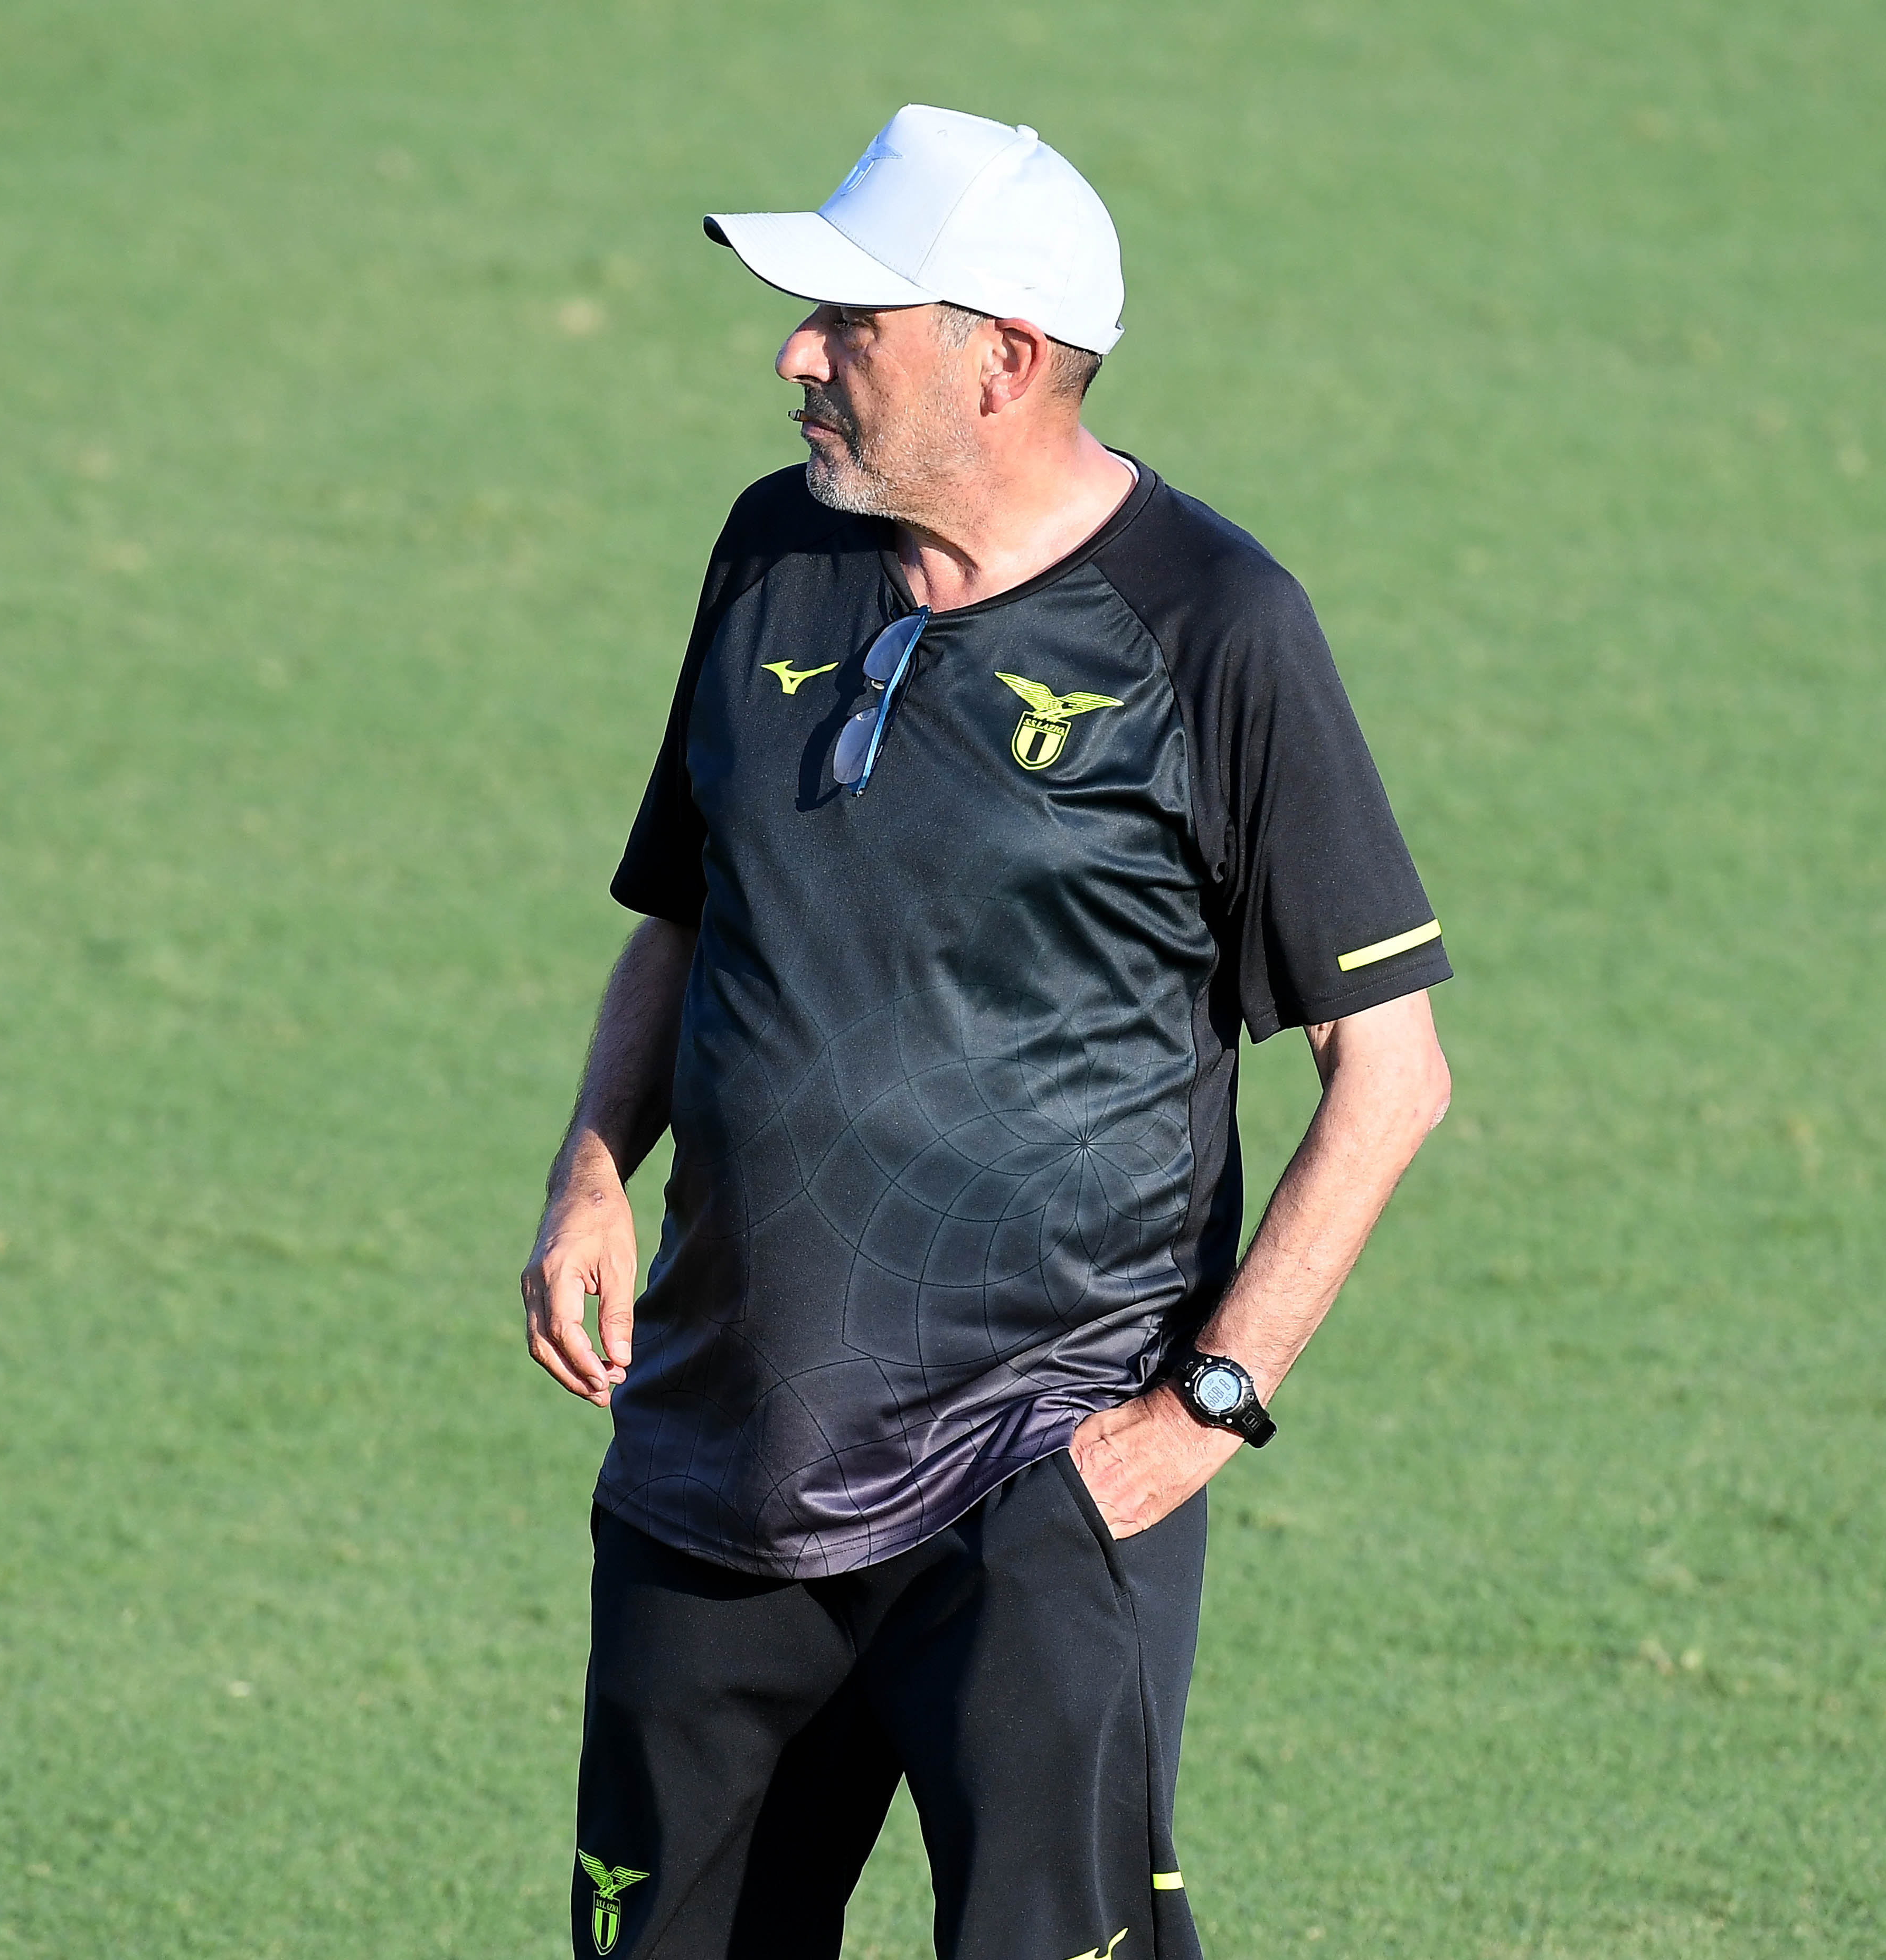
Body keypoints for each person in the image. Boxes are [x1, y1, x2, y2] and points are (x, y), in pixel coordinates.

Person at [520, 106, 1455, 1960]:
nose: (795, 353)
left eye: (849, 324)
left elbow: (1394, 1074)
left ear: (1007, 361)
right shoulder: (775, 547)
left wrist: (1206, 1408)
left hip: (1037, 1485)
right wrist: (590, 1171)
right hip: (718, 1452)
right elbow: (689, 906)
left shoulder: (1215, 628)